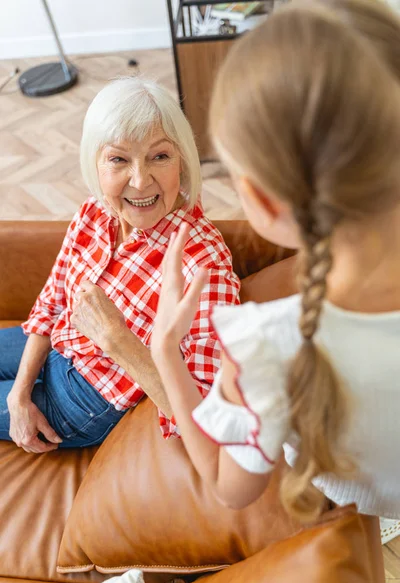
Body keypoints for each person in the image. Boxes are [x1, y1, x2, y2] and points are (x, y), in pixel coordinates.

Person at [150, 0, 400, 527]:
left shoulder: (267, 352)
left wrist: (166, 353)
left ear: (261, 202)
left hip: (373, 526)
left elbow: (229, 489)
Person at [0, 77, 240, 453]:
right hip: (54, 347)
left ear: (184, 159)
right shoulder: (95, 212)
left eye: (160, 156)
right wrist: (18, 393)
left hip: (84, 399)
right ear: (95, 163)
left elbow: (207, 418)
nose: (141, 181)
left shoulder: (204, 262)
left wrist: (118, 340)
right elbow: (52, 302)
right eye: (119, 159)